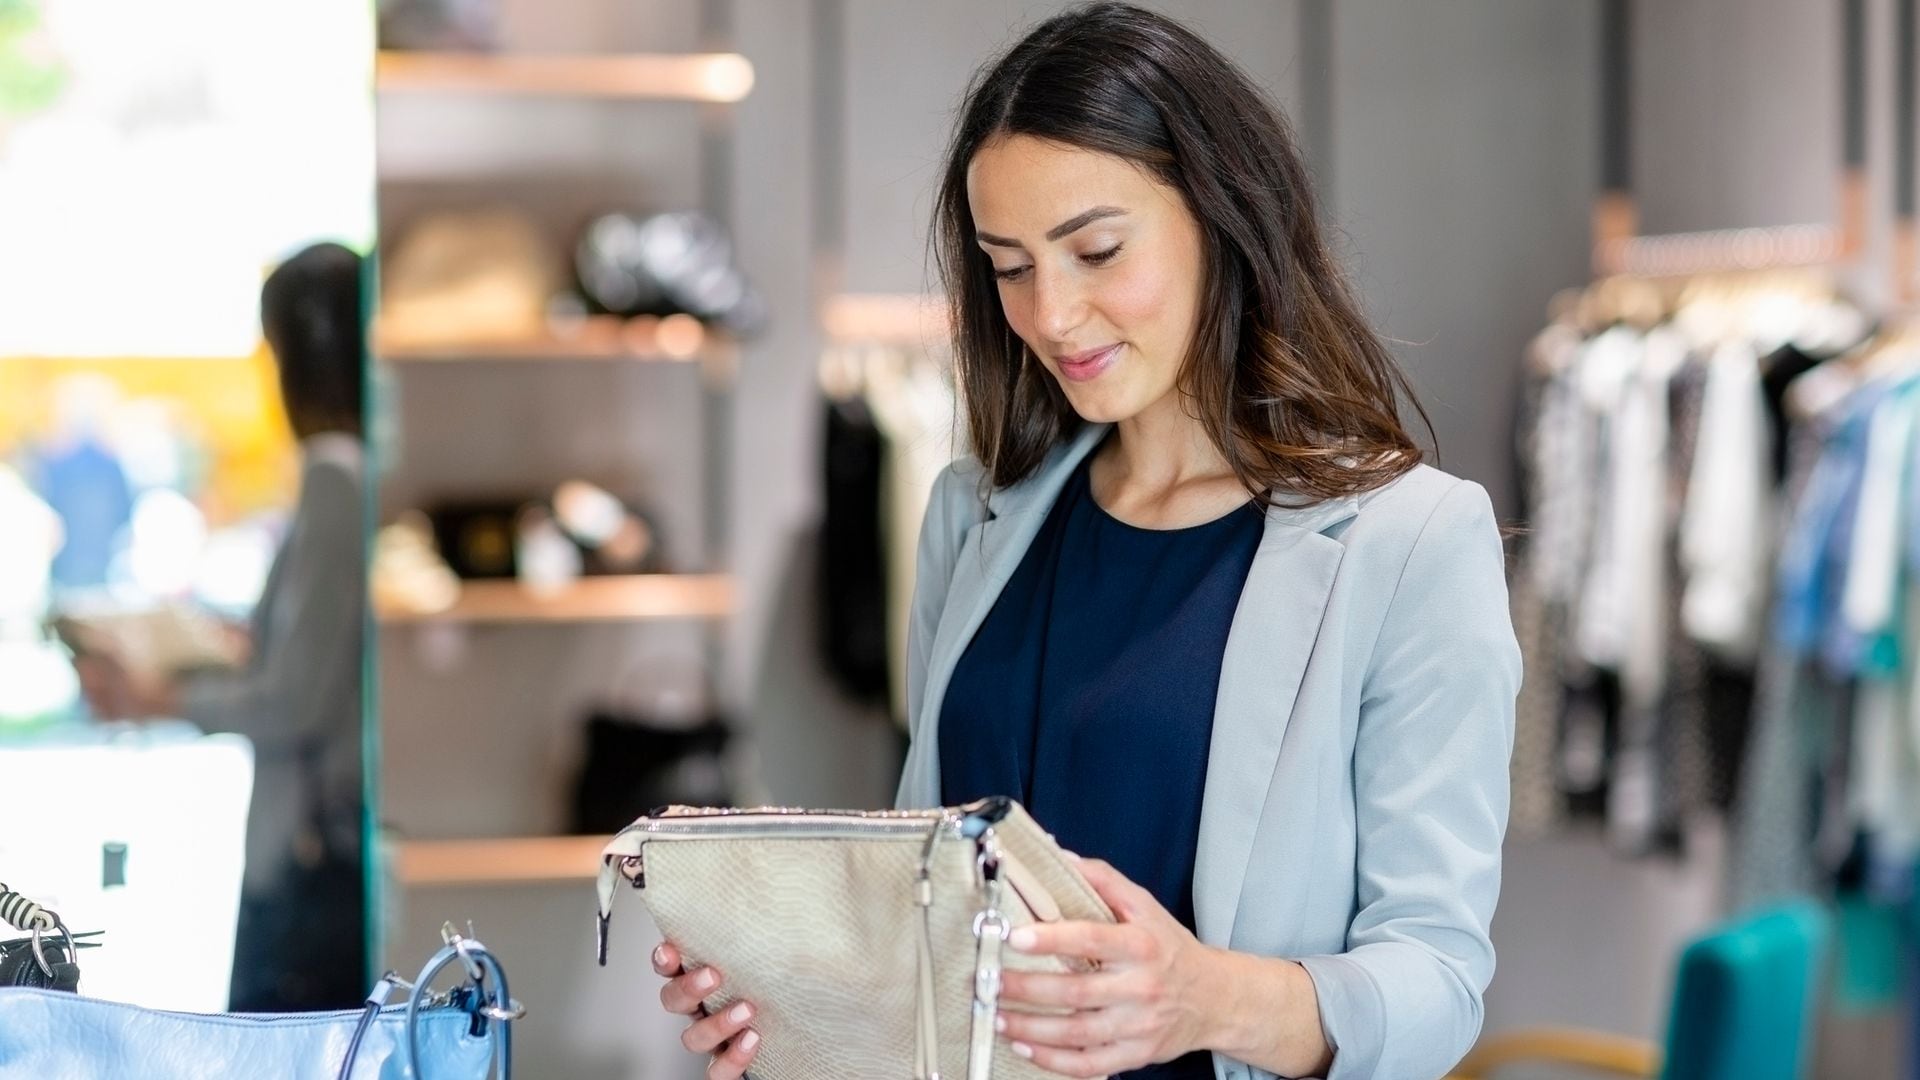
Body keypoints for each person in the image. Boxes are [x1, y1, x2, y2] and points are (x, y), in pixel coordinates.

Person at [653, 5, 1520, 1078]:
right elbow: (938, 919)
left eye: (1097, 250)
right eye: (1009, 267)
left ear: (1222, 216)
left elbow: (1436, 986)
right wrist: (798, 999)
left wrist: (1206, 1000)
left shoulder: (1411, 542)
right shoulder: (973, 516)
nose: (1052, 315)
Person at [74, 242, 369, 1011]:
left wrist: (159, 697)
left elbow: (298, 701)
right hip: (314, 849)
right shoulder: (348, 478)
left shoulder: (338, 481)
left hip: (308, 856)